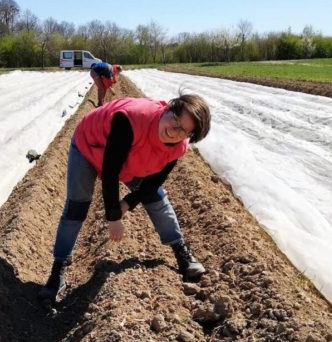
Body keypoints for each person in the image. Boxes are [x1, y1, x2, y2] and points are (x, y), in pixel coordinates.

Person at [38, 93, 211, 304]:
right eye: (175, 120)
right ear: (168, 108)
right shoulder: (130, 119)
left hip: (130, 157)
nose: (175, 131)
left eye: (184, 130)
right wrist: (113, 217)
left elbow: (151, 184)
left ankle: (182, 252)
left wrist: (128, 203)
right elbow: (110, 172)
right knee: (77, 206)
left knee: (156, 197)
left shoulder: (177, 148)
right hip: (89, 146)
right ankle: (58, 269)